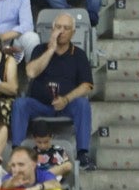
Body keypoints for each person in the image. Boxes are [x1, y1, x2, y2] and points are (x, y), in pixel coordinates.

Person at [10, 11, 96, 170]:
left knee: (83, 104)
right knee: (20, 104)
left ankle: (83, 154)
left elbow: (87, 85)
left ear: (73, 33)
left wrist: (66, 99)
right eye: (58, 27)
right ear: (52, 29)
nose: (61, 31)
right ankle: (17, 150)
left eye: (66, 28)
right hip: (40, 104)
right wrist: (50, 50)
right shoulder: (40, 49)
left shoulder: (79, 55)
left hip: (66, 105)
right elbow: (30, 72)